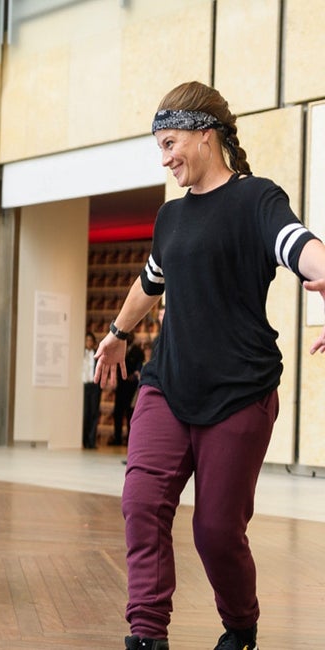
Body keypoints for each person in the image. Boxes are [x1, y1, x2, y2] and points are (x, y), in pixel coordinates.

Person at [94, 81, 325, 650]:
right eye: (159, 147)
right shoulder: (170, 217)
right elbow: (150, 282)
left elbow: (301, 246)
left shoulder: (256, 200)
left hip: (239, 394)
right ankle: (146, 634)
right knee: (141, 505)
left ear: (205, 133)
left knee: (217, 532)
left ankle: (240, 624)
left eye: (170, 142)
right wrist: (119, 333)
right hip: (166, 386)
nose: (165, 157)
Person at [109, 334, 144, 446]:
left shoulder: (138, 351)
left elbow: (139, 368)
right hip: (120, 386)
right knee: (117, 413)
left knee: (130, 414)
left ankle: (130, 440)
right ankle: (117, 438)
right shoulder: (119, 349)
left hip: (132, 387)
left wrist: (133, 376)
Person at [82, 331, 101, 449]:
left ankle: (92, 441)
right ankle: (84, 440)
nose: (88, 342)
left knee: (94, 413)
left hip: (94, 386)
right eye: (86, 340)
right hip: (83, 386)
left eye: (90, 340)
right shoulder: (80, 354)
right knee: (85, 413)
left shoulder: (97, 355)